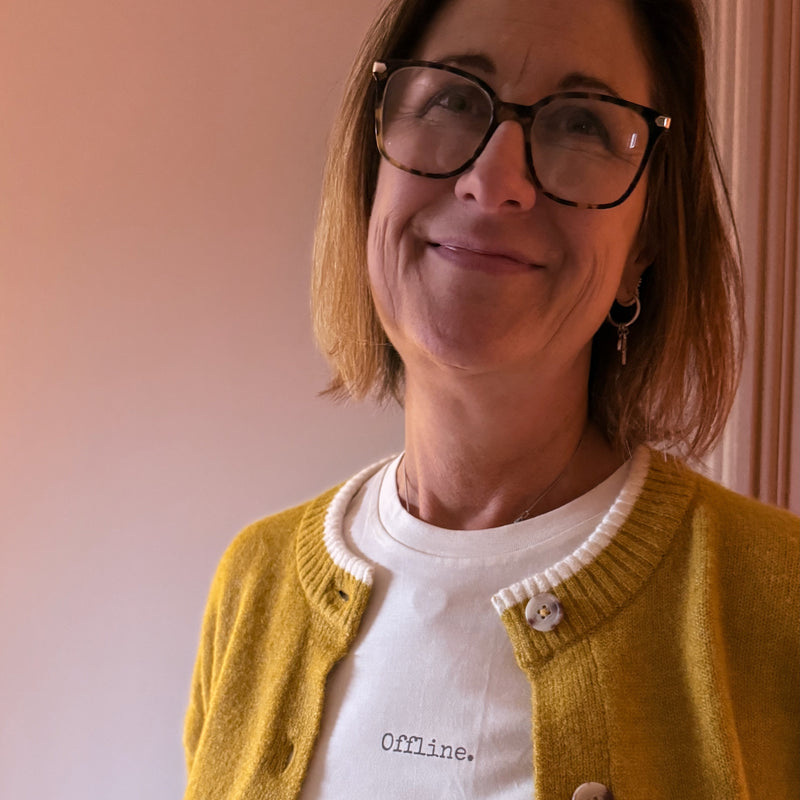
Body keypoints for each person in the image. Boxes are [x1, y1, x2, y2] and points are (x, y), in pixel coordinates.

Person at [183, 0, 799, 797]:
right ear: (373, 171)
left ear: (644, 241)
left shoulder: (779, 602)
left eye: (581, 122)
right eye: (452, 98)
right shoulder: (253, 586)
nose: (494, 181)